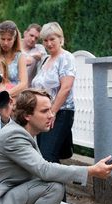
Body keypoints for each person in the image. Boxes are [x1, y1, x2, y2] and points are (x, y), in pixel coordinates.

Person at [31, 22, 76, 164]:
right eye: (45, 40)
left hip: (60, 112)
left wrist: (52, 112)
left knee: (48, 156)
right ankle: (52, 187)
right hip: (42, 113)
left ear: (60, 39)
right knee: (43, 156)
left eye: (52, 39)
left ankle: (56, 187)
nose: (49, 43)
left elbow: (66, 88)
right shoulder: (45, 59)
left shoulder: (66, 57)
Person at [0, 20, 28, 100]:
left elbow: (23, 83)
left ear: (15, 39)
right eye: (3, 39)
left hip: (13, 98)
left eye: (9, 39)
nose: (5, 43)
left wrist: (4, 95)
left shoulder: (20, 56)